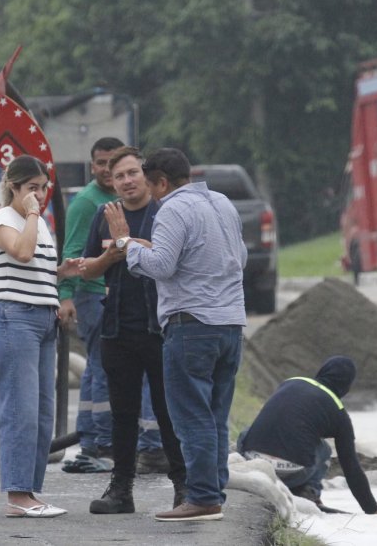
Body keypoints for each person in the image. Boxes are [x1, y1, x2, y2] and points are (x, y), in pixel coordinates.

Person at [121, 148, 247, 522]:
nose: (148, 193)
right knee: (215, 416)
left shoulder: (172, 209)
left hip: (191, 324)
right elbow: (238, 257)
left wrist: (127, 246)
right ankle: (213, 491)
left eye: (149, 184)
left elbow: (161, 265)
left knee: (191, 417)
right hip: (230, 323)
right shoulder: (222, 203)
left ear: (161, 181)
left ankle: (203, 497)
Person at [75, 147, 187, 514]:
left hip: (160, 328)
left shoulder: (165, 212)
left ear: (147, 175)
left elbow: (174, 260)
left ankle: (184, 488)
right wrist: (111, 253)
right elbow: (87, 269)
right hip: (117, 327)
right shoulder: (104, 215)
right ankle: (121, 490)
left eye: (132, 173)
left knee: (167, 411)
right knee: (122, 414)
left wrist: (127, 241)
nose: (125, 181)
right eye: (118, 175)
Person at [0, 155, 82, 518]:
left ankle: (30, 491)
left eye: (42, 189)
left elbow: (33, 271)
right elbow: (21, 253)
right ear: (13, 186)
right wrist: (30, 213)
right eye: (31, 188)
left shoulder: (38, 223)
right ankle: (17, 495)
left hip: (43, 319)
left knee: (42, 413)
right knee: (19, 411)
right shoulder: (3, 219)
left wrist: (61, 271)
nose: (38, 196)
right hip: (15, 320)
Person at [237, 356, 377, 515]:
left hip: (253, 460)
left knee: (247, 431)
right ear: (347, 385)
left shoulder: (290, 382)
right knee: (324, 449)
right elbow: (351, 467)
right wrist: (372, 510)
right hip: (291, 474)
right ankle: (309, 493)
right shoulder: (338, 412)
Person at [59, 137, 120, 473]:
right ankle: (98, 442)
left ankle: (91, 436)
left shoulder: (122, 197)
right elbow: (71, 251)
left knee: (101, 367)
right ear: (91, 165)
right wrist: (65, 295)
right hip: (91, 293)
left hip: (113, 294)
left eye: (113, 162)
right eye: (100, 163)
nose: (107, 169)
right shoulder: (87, 203)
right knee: (101, 366)